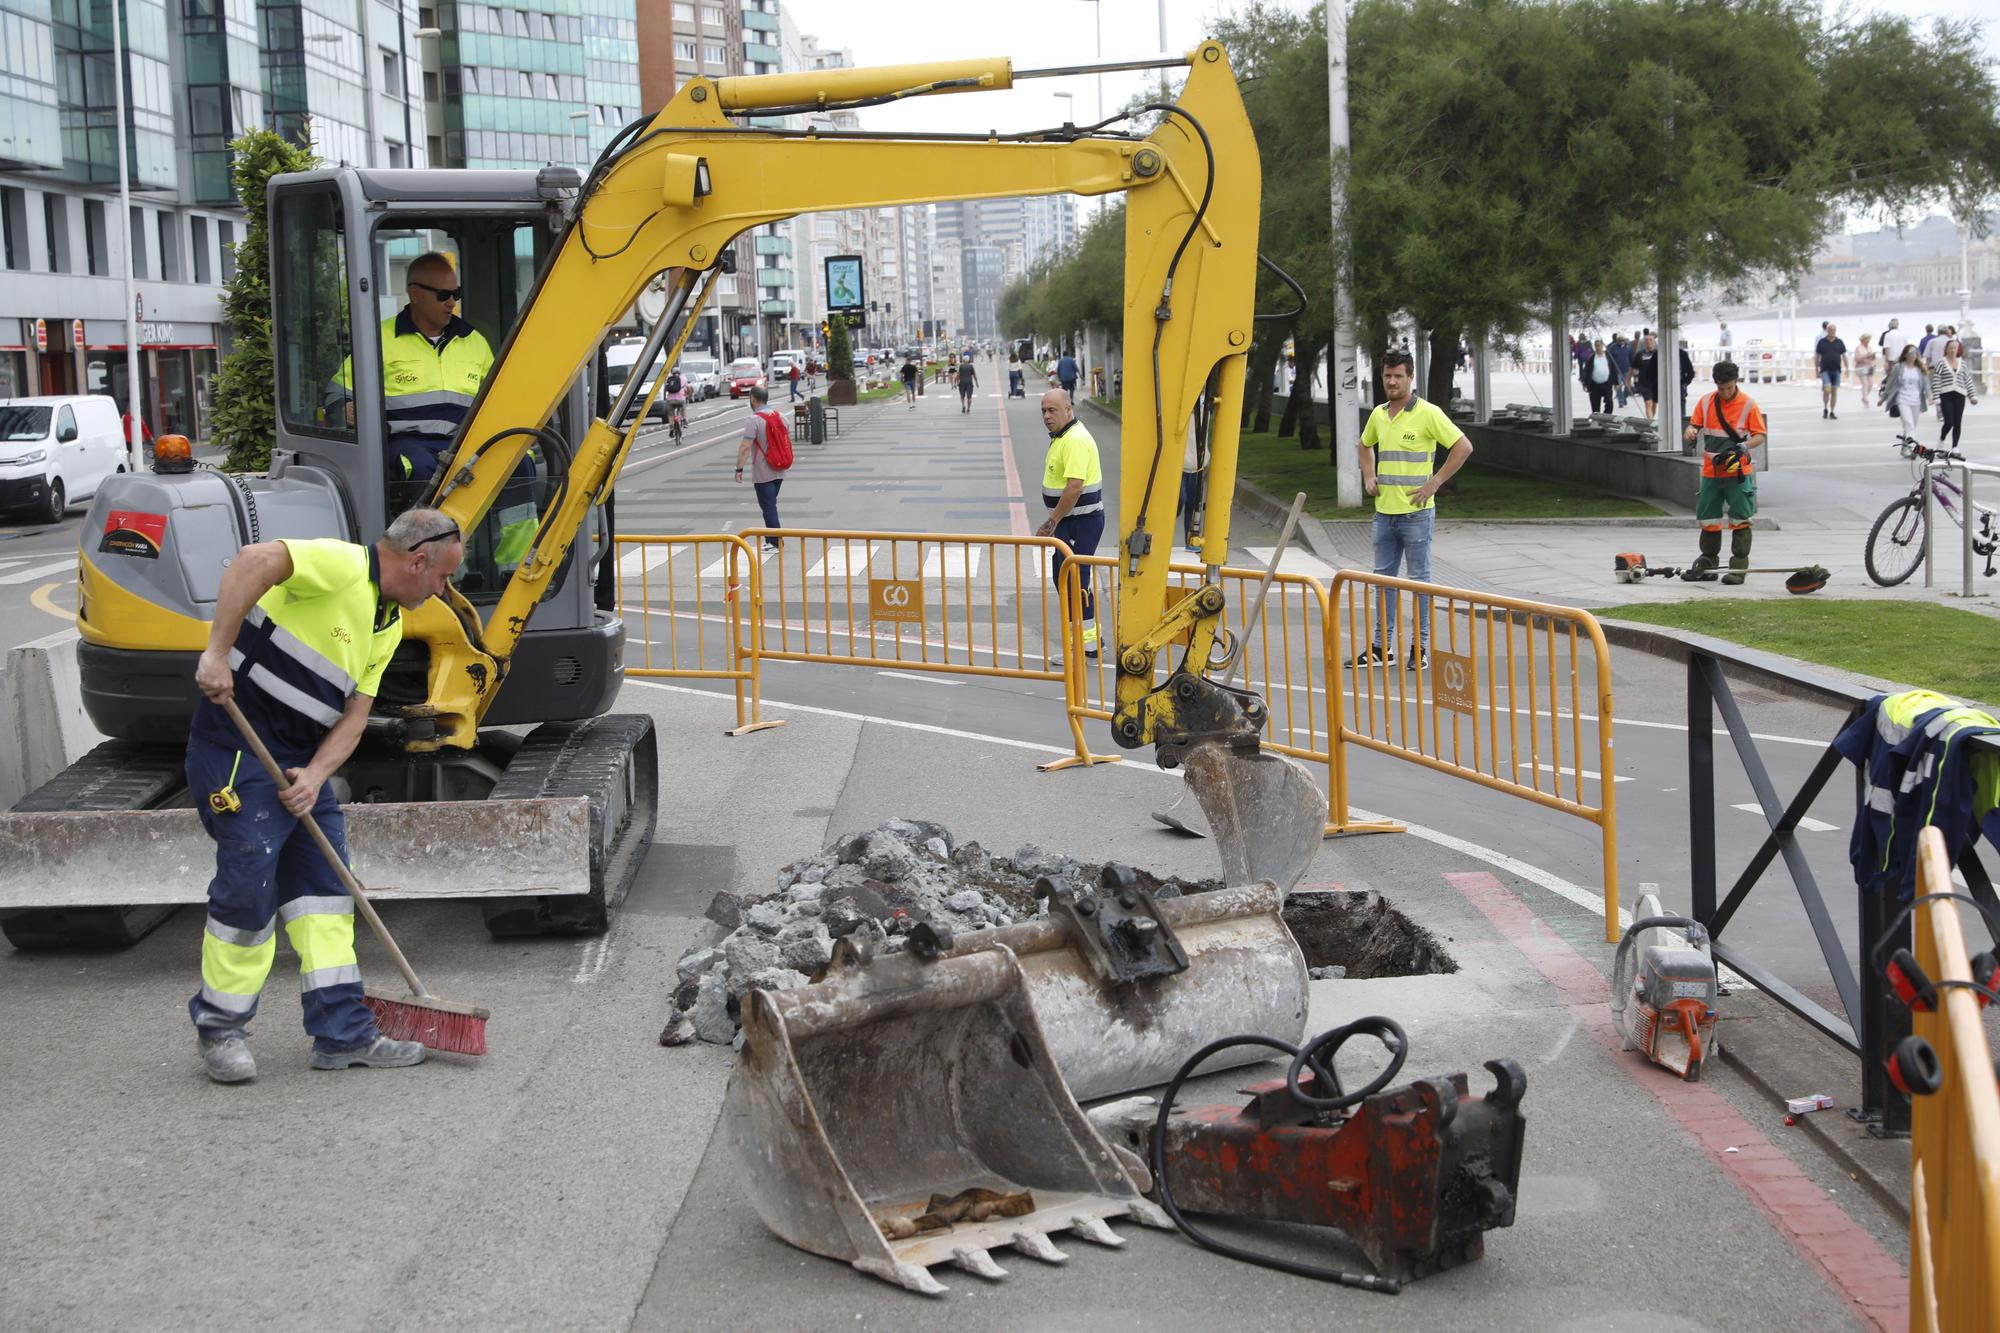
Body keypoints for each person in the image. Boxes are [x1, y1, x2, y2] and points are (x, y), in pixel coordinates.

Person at [187, 509, 464, 1083]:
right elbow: (252, 561)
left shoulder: (386, 625)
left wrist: (315, 776)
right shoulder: (340, 565)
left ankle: (341, 1035)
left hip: (297, 763)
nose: (445, 589)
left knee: (326, 894)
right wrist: (216, 652)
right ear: (417, 560)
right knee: (248, 889)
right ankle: (221, 1030)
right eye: (443, 578)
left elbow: (355, 718)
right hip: (238, 746)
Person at [329, 252, 495, 487]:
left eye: (456, 294)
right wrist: (343, 409)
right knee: (417, 466)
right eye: (443, 295)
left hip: (464, 444)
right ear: (415, 294)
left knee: (519, 464)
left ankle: (528, 526)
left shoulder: (474, 341)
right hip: (406, 442)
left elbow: (498, 398)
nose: (452, 303)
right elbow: (337, 393)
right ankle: (425, 525)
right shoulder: (380, 339)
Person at [1351, 349, 1472, 672]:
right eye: (1387, 376)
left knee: (1419, 582)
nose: (1392, 382)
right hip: (1384, 514)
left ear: (1410, 377)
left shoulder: (1428, 413)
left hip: (1416, 515)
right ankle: (1381, 648)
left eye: (1398, 376)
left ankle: (1420, 649)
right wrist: (1368, 475)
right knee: (1383, 583)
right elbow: (1364, 445)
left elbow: (1463, 446)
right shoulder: (1379, 414)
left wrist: (1435, 483)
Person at [1035, 388, 1104, 663]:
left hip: (1079, 522)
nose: (1047, 416)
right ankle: (1090, 640)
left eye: (1052, 410)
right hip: (1072, 523)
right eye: (1043, 411)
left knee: (1075, 581)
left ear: (1068, 409)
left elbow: (1074, 488)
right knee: (1068, 579)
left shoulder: (1074, 439)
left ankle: (1083, 647)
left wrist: (1052, 521)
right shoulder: (1063, 436)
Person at [1682, 361, 1766, 585]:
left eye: (1729, 387)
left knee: (1740, 517)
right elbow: (1693, 426)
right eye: (1721, 388)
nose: (1725, 392)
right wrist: (1690, 431)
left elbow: (1760, 435)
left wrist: (1745, 445)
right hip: (1711, 469)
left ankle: (1738, 567)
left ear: (1735, 382)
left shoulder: (1748, 404)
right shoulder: (1706, 402)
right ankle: (1708, 561)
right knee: (1708, 517)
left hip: (1735, 466)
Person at [734, 385, 789, 550]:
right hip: (780, 468)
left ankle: (775, 541)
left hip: (763, 471)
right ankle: (771, 538)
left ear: (753, 399)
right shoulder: (781, 416)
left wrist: (739, 469)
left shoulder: (754, 420)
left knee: (768, 506)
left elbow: (745, 447)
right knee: (770, 504)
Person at [1930, 338, 1977, 451]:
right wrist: (1936, 397)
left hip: (1960, 395)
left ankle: (1955, 447)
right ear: (1946, 349)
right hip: (1946, 395)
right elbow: (1936, 380)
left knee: (1957, 422)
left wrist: (1972, 396)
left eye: (1954, 348)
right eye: (1950, 348)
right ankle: (1941, 439)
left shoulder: (1963, 363)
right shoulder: (1941, 363)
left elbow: (1967, 380)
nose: (1952, 350)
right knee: (1949, 422)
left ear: (1958, 349)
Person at [1882, 343, 1928, 447]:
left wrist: (1930, 396)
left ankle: (1905, 447)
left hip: (1916, 400)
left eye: (1915, 353)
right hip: (1902, 399)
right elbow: (1890, 383)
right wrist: (1883, 398)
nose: (1913, 355)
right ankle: (1912, 447)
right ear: (1905, 355)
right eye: (1911, 353)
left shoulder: (1920, 368)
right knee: (1909, 424)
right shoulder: (1898, 367)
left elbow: (1926, 383)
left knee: (1911, 426)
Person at [1179, 412, 1206, 553]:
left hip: (1197, 464)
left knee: (1193, 504)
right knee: (1180, 499)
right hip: (1178, 466)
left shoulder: (1203, 409)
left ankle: (1190, 539)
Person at [1813, 323, 1849, 420]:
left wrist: (1847, 368)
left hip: (1836, 370)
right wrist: (1816, 369)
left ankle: (1832, 411)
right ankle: (1825, 407)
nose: (1832, 332)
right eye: (1831, 330)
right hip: (1825, 370)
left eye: (1834, 330)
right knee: (1827, 389)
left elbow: (1844, 356)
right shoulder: (1822, 342)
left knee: (1834, 391)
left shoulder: (1839, 342)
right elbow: (1817, 357)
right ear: (1827, 331)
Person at [1628, 332, 1661, 417]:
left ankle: (1651, 419)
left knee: (1654, 404)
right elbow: (1633, 368)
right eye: (1647, 340)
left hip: (1656, 383)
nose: (1648, 342)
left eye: (1650, 340)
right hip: (1644, 383)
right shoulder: (1640, 354)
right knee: (1648, 403)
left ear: (1654, 342)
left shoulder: (1659, 354)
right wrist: (1628, 380)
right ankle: (1650, 423)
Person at [1582, 338, 1616, 414]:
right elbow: (1586, 370)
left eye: (1599, 346)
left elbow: (1613, 369)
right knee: (1595, 406)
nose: (1598, 347)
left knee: (1609, 402)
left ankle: (1606, 416)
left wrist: (1616, 383)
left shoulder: (1608, 357)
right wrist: (1584, 382)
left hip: (1606, 384)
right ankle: (1597, 420)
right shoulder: (1591, 358)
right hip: (1594, 385)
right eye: (1596, 346)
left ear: (1602, 346)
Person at [661, 365, 689, 440]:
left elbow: (666, 389)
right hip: (681, 399)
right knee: (683, 408)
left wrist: (665, 398)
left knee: (670, 415)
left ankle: (671, 428)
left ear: (672, 372)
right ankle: (684, 420)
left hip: (670, 400)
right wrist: (686, 394)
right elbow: (687, 388)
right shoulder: (683, 378)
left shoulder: (669, 378)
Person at [1608, 333, 1634, 408]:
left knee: (1627, 387)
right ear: (1617, 341)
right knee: (1618, 386)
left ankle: (1624, 397)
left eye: (1623, 340)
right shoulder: (1613, 348)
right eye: (1620, 340)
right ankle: (1621, 401)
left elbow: (1631, 358)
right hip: (1617, 370)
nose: (1621, 342)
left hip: (1626, 369)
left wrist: (1634, 367)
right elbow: (1609, 358)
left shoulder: (1628, 347)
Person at [1854, 332, 1880, 406]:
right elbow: (1857, 359)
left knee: (1871, 383)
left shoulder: (1870, 347)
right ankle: (1866, 399)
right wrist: (1866, 356)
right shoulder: (1858, 348)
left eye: (1869, 339)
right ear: (1863, 339)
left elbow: (1872, 358)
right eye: (1867, 339)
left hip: (1869, 367)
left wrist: (1873, 356)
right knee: (1865, 383)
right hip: (1861, 367)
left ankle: (1864, 397)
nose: (1868, 341)